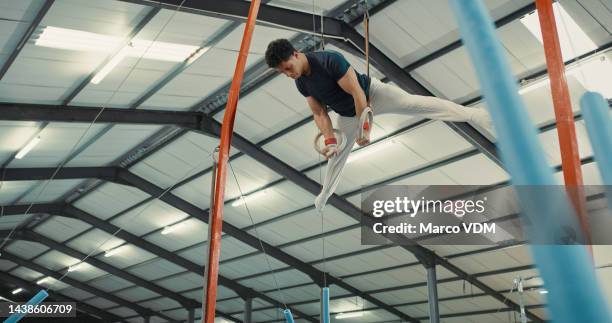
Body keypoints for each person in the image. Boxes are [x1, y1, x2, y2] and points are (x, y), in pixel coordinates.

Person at [265, 38, 493, 212]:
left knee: (417, 104)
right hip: (347, 114)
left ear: (296, 54)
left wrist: (365, 128)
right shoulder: (302, 84)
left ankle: (476, 115)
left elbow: (356, 93)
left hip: (371, 94)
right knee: (335, 156)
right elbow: (319, 113)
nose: (287, 74)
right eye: (282, 72)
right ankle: (325, 193)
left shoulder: (329, 60)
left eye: (287, 67)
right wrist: (330, 140)